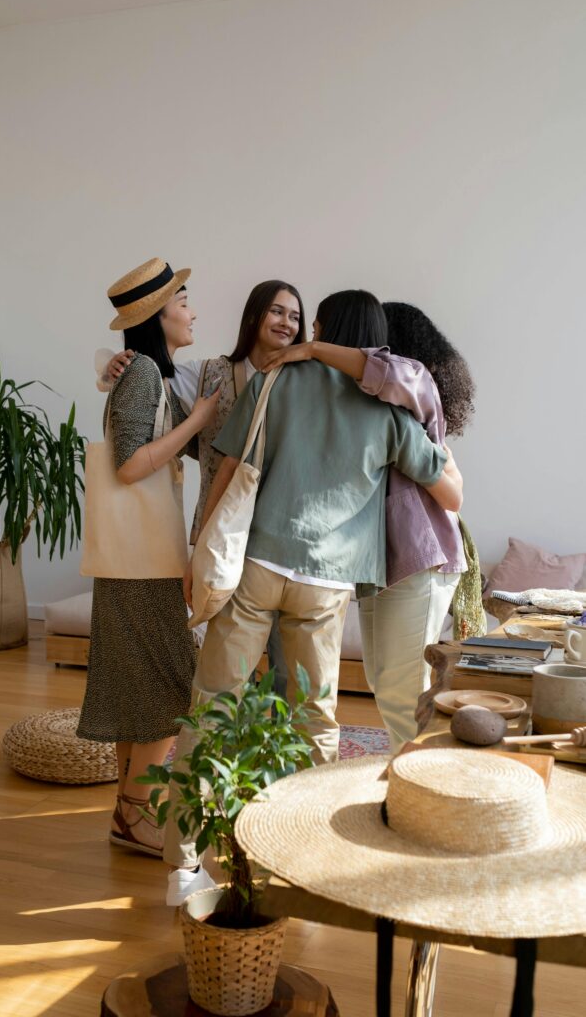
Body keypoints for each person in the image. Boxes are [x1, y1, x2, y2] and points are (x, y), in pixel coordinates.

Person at [164, 290, 464, 904]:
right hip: (325, 585)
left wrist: (199, 548)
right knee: (315, 724)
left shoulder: (278, 380)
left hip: (258, 565)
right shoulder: (391, 414)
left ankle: (183, 866)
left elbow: (229, 467)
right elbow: (448, 493)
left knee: (213, 708)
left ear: (326, 331)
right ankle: (302, 859)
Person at [262, 295, 474, 750]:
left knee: (402, 692)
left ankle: (425, 794)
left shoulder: (409, 383)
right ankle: (409, 786)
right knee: (385, 684)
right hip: (381, 564)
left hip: (420, 557)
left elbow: (450, 493)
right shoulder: (360, 406)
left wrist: (314, 350)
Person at [96, 279, 307, 696]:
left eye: (296, 316)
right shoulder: (207, 374)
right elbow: (146, 389)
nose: (287, 322)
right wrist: (108, 368)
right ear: (253, 315)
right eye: (277, 311)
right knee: (227, 666)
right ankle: (233, 757)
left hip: (285, 540)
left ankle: (289, 760)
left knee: (290, 667)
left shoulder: (307, 381)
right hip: (221, 535)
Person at [77, 258, 221, 858]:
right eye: (184, 301)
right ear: (157, 316)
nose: (192, 312)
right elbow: (129, 463)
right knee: (170, 688)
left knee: (135, 689)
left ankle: (127, 817)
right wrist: (199, 422)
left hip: (131, 563)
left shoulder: (141, 374)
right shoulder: (142, 376)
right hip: (142, 565)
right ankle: (136, 815)